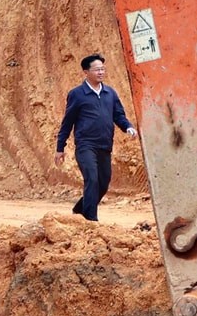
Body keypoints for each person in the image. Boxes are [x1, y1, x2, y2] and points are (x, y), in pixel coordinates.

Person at [55, 53, 137, 221]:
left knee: (103, 184)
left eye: (102, 69)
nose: (101, 72)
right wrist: (60, 148)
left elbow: (118, 115)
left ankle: (80, 210)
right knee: (92, 178)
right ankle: (91, 220)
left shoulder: (110, 93)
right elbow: (67, 122)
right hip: (86, 145)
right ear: (86, 72)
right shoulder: (77, 94)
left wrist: (128, 127)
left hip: (104, 145)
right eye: (97, 69)